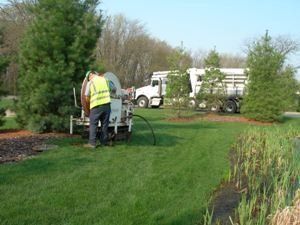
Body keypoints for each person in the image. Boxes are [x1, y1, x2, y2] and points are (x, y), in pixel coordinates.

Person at [84, 71, 111, 148]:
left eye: (88, 78)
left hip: (96, 107)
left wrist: (89, 103)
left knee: (93, 124)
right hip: (107, 106)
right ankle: (104, 143)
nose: (89, 79)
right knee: (105, 125)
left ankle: (92, 143)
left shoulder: (91, 82)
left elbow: (86, 96)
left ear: (90, 75)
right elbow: (113, 89)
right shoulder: (105, 80)